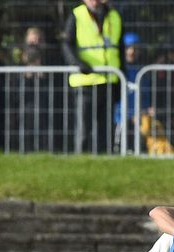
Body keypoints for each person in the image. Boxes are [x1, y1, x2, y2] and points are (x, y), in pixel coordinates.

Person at [61, 0, 124, 154]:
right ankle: (80, 159)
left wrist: (121, 80)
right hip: (85, 82)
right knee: (83, 128)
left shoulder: (114, 15)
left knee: (106, 128)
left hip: (109, 81)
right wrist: (78, 63)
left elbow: (119, 50)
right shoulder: (77, 15)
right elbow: (66, 44)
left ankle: (106, 160)